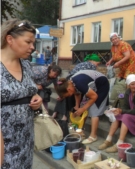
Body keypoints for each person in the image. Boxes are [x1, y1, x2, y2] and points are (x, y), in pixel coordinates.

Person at [1, 19, 43, 169]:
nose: (32, 47)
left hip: (26, 141)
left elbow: (29, 90)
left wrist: (36, 98)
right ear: (10, 39)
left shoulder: (25, 64)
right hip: (3, 145)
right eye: (28, 42)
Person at [55, 70, 110, 144]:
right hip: (92, 86)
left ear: (69, 89)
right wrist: (77, 106)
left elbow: (94, 96)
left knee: (94, 111)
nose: (69, 96)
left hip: (101, 85)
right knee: (83, 108)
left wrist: (83, 108)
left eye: (68, 95)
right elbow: (77, 93)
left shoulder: (79, 83)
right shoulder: (70, 83)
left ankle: (93, 136)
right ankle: (80, 130)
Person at [98, 74, 135, 153]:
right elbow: (124, 107)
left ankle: (119, 144)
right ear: (128, 85)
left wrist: (122, 111)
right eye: (132, 84)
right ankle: (108, 140)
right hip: (131, 114)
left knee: (125, 117)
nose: (134, 86)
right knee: (117, 115)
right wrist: (118, 110)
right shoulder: (128, 92)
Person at [52, 53, 101, 121]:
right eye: (97, 63)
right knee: (70, 97)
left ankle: (59, 114)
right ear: (92, 60)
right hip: (76, 81)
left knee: (64, 96)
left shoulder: (82, 63)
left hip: (69, 79)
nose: (97, 66)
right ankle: (68, 115)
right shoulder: (92, 65)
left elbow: (77, 93)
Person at [106, 33, 135, 101]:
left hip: (132, 63)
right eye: (113, 39)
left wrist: (118, 63)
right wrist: (110, 61)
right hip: (123, 64)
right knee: (120, 78)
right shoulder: (113, 47)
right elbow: (115, 56)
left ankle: (130, 97)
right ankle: (123, 93)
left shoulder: (123, 44)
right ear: (111, 41)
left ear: (119, 38)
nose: (115, 40)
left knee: (128, 78)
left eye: (116, 38)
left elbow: (127, 56)